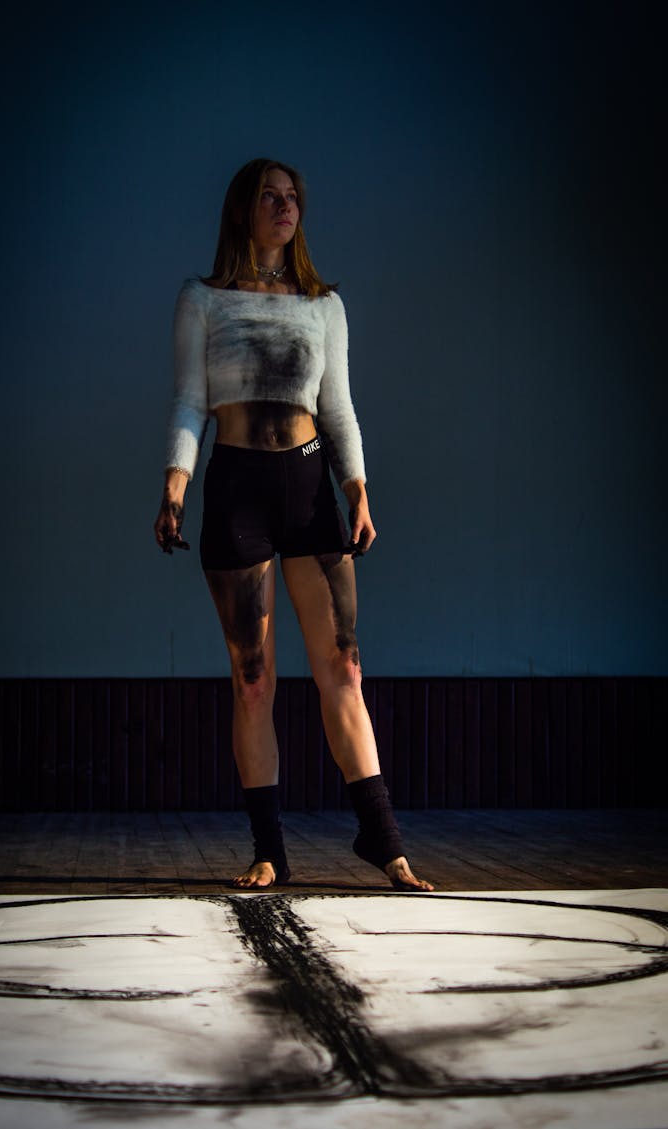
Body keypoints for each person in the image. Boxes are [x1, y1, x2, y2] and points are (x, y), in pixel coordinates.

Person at [154, 157, 433, 893]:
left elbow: (338, 408)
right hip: (238, 486)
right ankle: (269, 849)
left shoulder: (323, 305)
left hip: (309, 488)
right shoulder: (204, 298)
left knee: (343, 666)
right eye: (269, 197)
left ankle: (384, 841)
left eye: (293, 198)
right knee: (253, 679)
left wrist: (358, 489)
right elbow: (189, 402)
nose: (285, 207)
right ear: (242, 210)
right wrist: (174, 487)